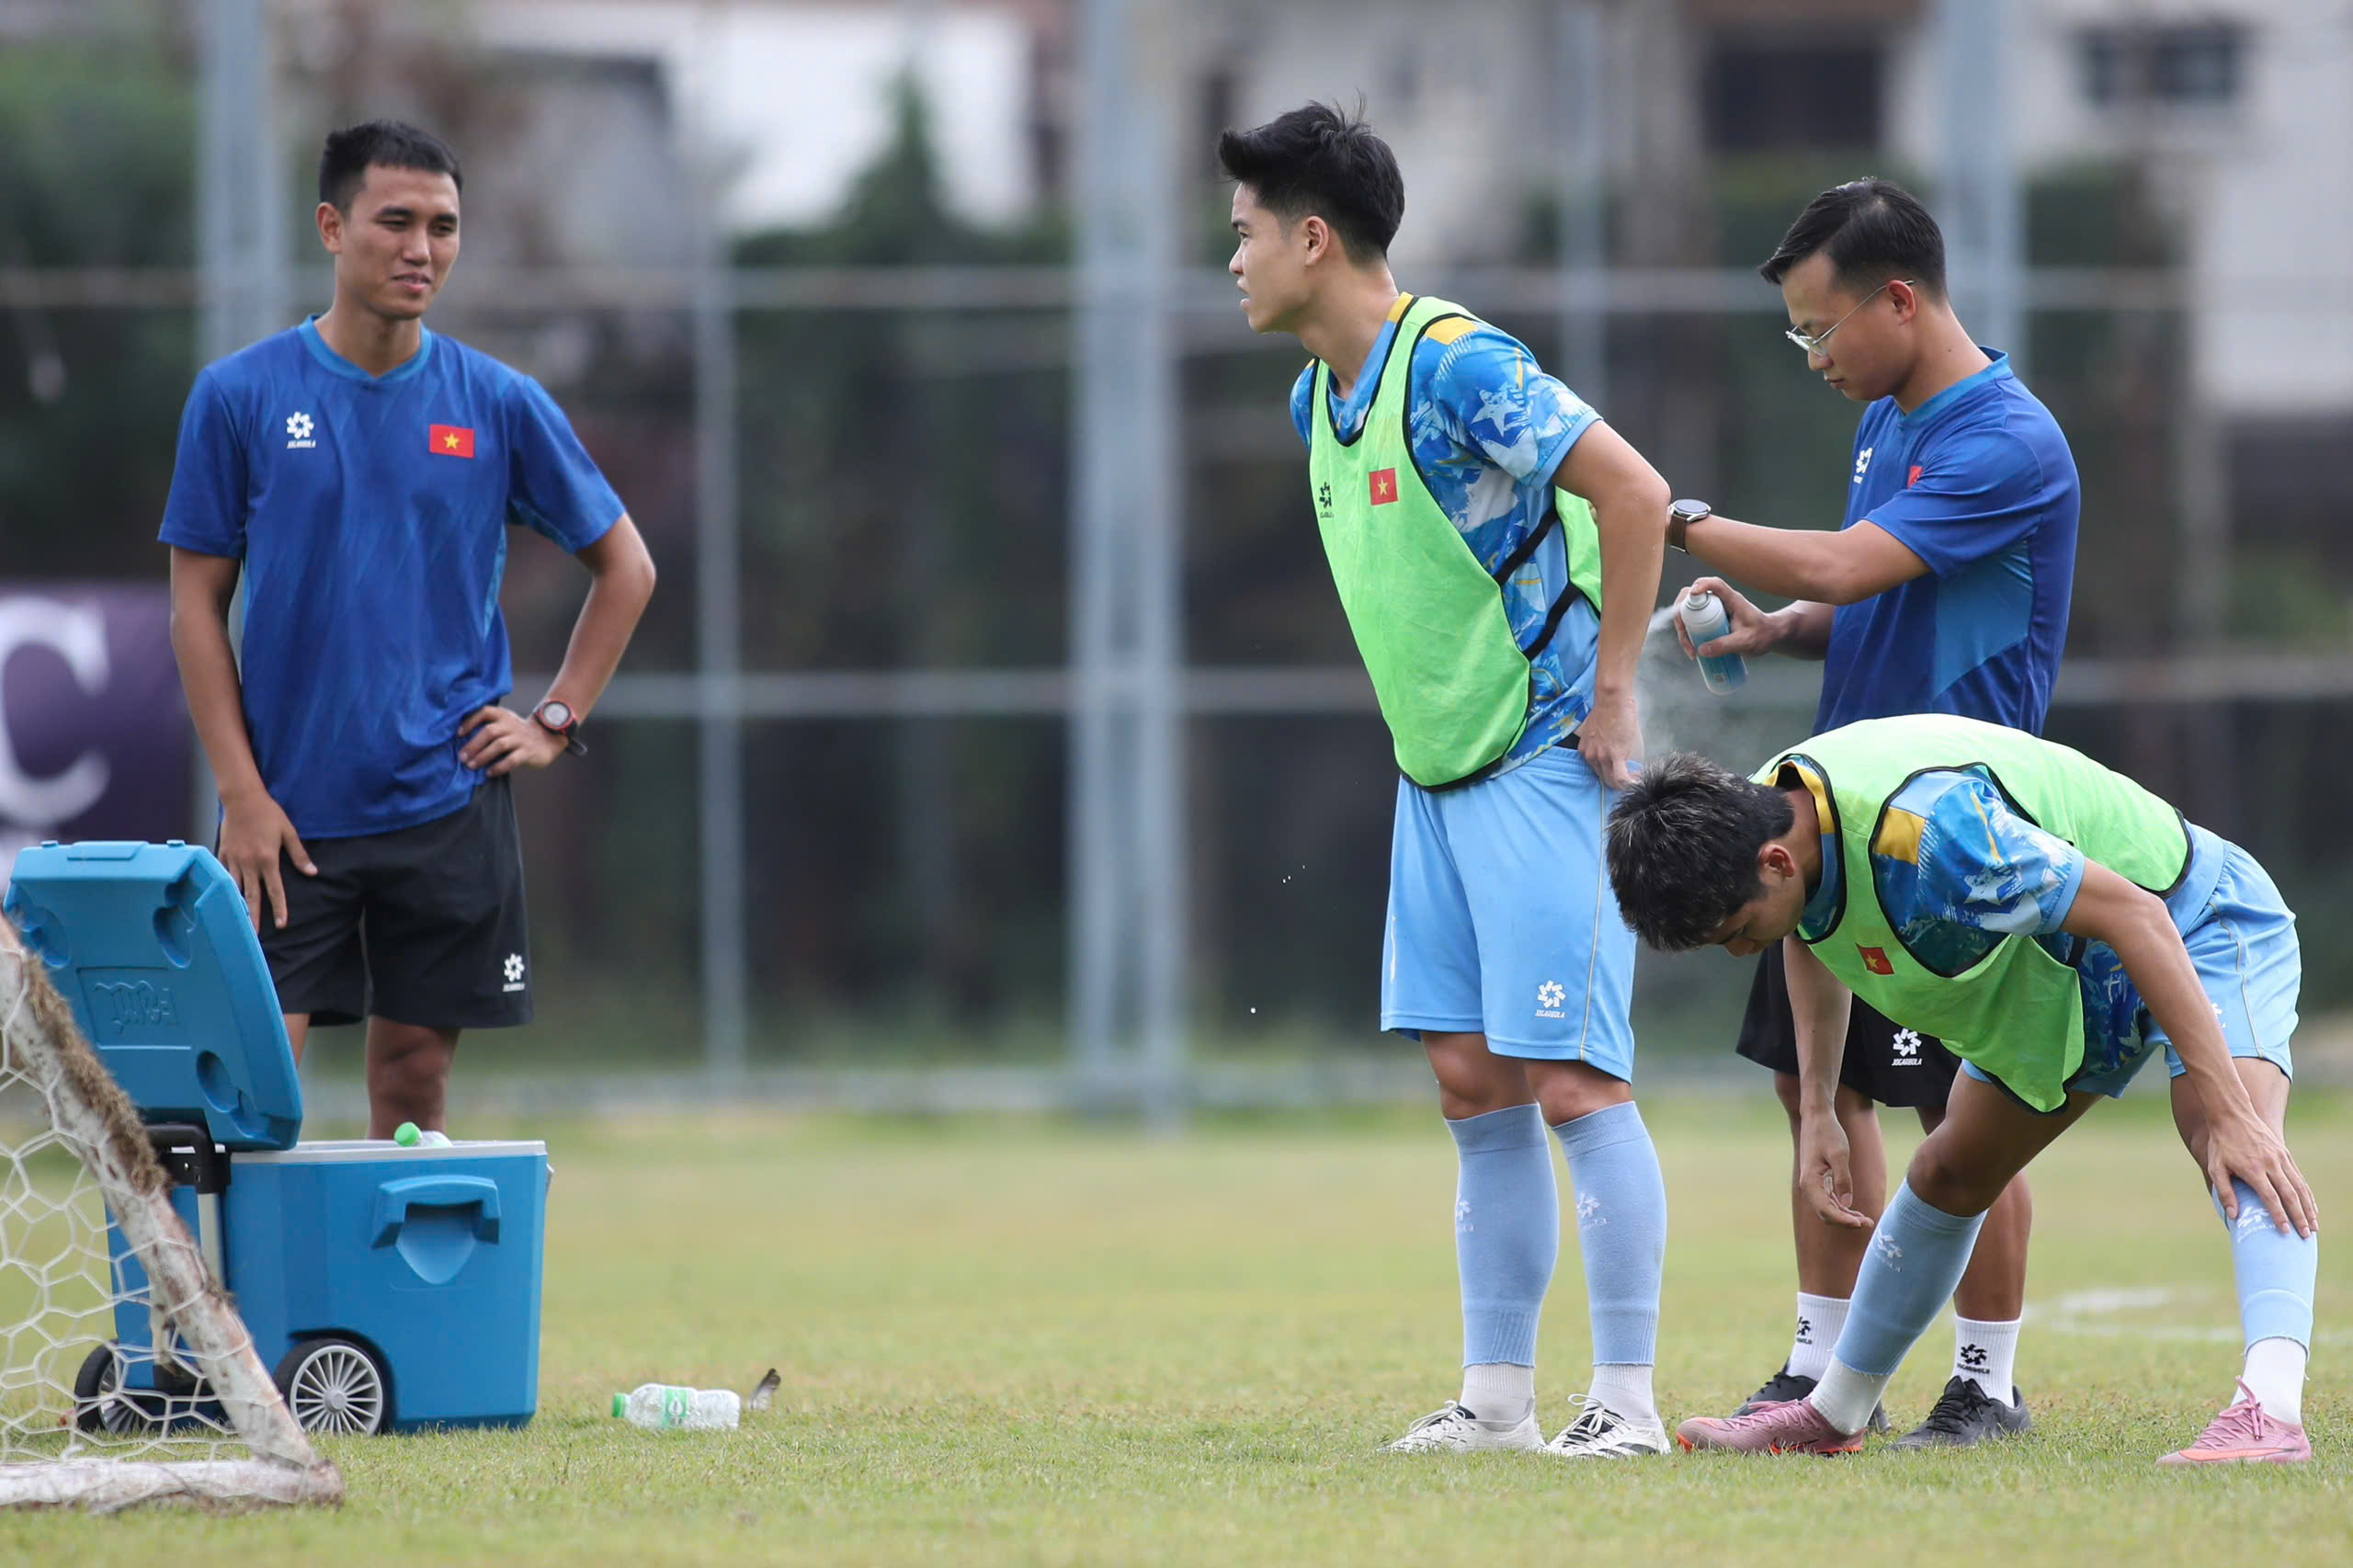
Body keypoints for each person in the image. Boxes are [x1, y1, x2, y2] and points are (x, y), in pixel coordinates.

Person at [1220, 103, 1675, 1458]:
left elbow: (1637, 494)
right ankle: (1496, 1403)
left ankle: (1630, 1404)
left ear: (1312, 238)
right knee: (1474, 1083)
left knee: (1574, 1079)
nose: (1230, 258)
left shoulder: (1457, 365)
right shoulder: (1317, 395)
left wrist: (1614, 693)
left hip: (1544, 757)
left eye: (1244, 233)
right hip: (1435, 780)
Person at [1660, 176, 2079, 1447]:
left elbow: (1851, 559)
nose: (1813, 356)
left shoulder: (2003, 438)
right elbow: (1866, 596)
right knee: (1814, 1084)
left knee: (1966, 1110)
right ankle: (1820, 1364)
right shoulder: (1888, 420)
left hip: (1951, 823)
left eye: (1821, 327)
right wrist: (1779, 625)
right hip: (1839, 807)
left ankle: (1987, 1381)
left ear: (1901, 299)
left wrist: (1677, 521)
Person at [1606, 718, 2319, 1464]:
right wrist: (1819, 1108)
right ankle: (1835, 1411)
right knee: (1949, 1173)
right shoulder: (1774, 812)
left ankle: (2271, 1410)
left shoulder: (1933, 833)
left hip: (2192, 915)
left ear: (1776, 863)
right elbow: (1810, 930)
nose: (1740, 949)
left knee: (2225, 1136)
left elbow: (2133, 913)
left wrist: (2235, 1112)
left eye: (1736, 930)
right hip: (2067, 973)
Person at [161, 120, 656, 1138]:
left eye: (443, 226)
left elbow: (626, 567)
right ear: (333, 228)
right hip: (287, 821)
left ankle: (389, 1305)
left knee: (415, 1085)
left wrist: (554, 717)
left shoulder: (498, 401)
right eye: (395, 221)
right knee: (253, 1103)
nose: (420, 248)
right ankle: (234, 1306)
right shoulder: (240, 397)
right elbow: (195, 609)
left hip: (448, 803)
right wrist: (242, 795)